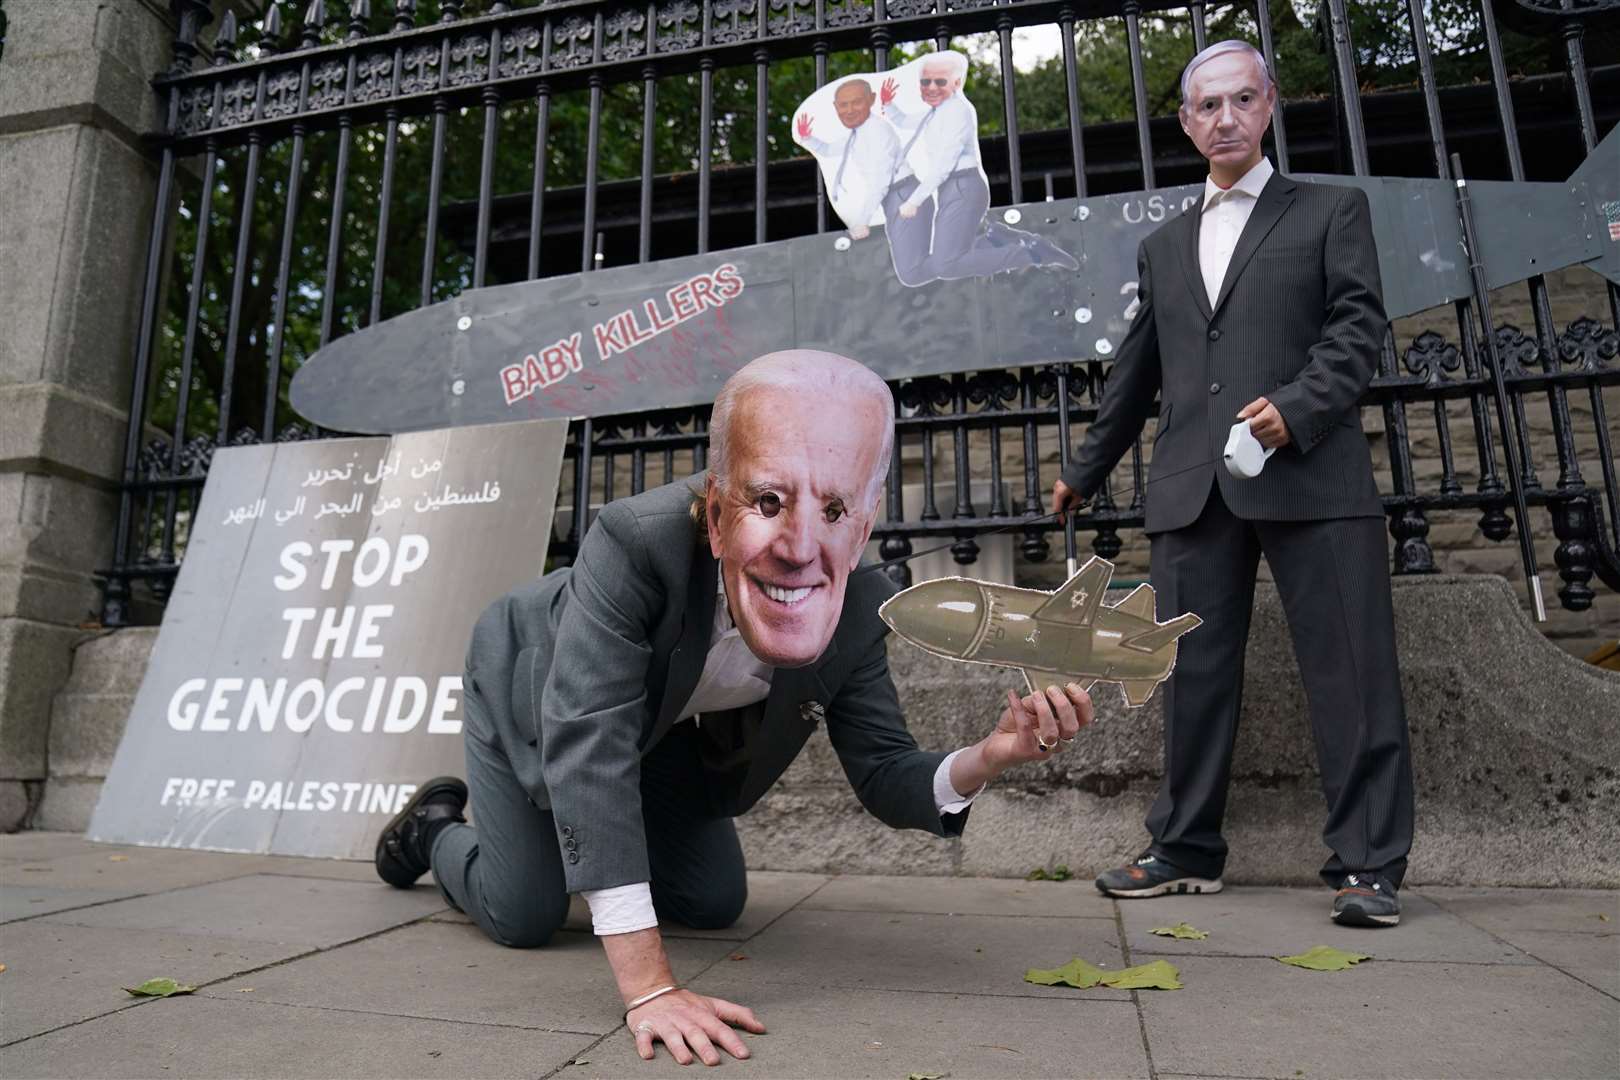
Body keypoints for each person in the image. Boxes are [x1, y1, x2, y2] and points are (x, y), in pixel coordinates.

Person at [378, 350, 1096, 1065]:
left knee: (714, 901)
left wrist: (994, 753)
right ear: (717, 514)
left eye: (835, 509)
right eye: (769, 503)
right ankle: (432, 831)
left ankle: (589, 860)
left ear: (864, 526)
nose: (799, 549)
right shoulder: (636, 541)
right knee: (525, 912)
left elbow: (883, 770)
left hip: (661, 733)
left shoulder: (858, 606)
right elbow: (588, 742)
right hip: (534, 696)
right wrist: (650, 988)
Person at [1051, 40, 1414, 928]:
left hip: (1313, 476)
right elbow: (1139, 369)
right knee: (1188, 676)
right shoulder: (1164, 243)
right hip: (1189, 488)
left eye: (1241, 100)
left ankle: (1367, 865)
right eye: (1207, 105)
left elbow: (1357, 327)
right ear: (1185, 122)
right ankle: (1184, 850)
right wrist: (1085, 471)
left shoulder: (1333, 210)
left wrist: (1299, 408)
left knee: (1352, 674)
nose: (1225, 118)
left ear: (1269, 106)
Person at [880, 52, 1077, 283]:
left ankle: (1031, 253)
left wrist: (915, 200)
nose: (931, 87)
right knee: (923, 270)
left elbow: (946, 162)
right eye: (926, 81)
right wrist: (888, 104)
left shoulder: (957, 112)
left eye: (940, 81)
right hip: (952, 189)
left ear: (956, 83)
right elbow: (907, 122)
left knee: (946, 264)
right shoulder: (934, 112)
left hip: (963, 187)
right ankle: (994, 239)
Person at [794, 78, 901, 244]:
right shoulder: (857, 133)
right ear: (835, 107)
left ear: (871, 99)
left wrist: (862, 221)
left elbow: (880, 179)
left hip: (900, 195)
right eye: (843, 105)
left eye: (856, 102)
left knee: (907, 260)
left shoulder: (876, 130)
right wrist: (808, 138)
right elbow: (829, 150)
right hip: (889, 198)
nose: (849, 110)